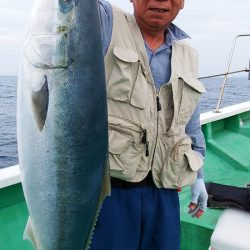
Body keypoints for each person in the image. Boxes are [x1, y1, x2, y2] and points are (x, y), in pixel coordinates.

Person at [91, 0, 208, 249]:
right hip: (109, 192)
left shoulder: (189, 54)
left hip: (165, 192)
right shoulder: (105, 22)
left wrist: (199, 176)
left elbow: (190, 125)